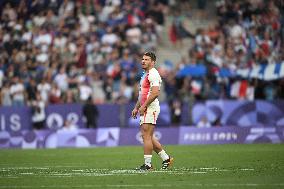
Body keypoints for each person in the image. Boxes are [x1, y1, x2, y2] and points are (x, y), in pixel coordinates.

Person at [131, 52, 173, 170]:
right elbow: (142, 94)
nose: (143, 61)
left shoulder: (154, 74)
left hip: (151, 107)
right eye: (143, 59)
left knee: (146, 135)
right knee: (148, 136)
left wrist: (143, 106)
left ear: (153, 62)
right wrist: (136, 107)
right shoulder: (145, 74)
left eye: (147, 59)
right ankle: (166, 158)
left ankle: (148, 165)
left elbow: (155, 93)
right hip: (146, 106)